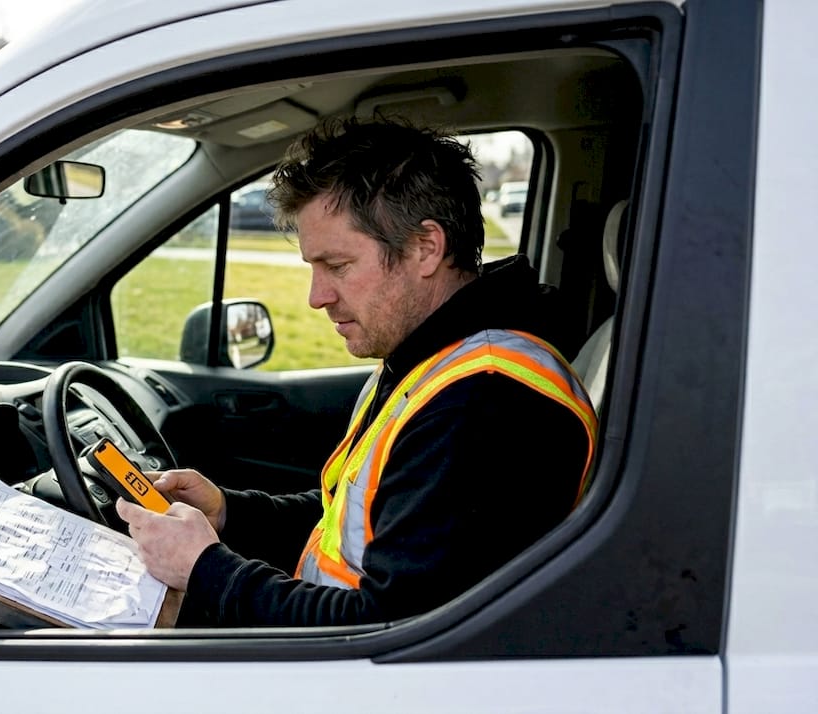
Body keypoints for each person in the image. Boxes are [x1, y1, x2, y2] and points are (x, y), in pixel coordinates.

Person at [117, 116, 598, 627]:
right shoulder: (431, 357)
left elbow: (384, 630)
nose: (316, 297)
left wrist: (206, 570)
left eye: (338, 266)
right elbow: (362, 523)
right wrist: (230, 513)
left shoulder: (484, 403)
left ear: (425, 247)